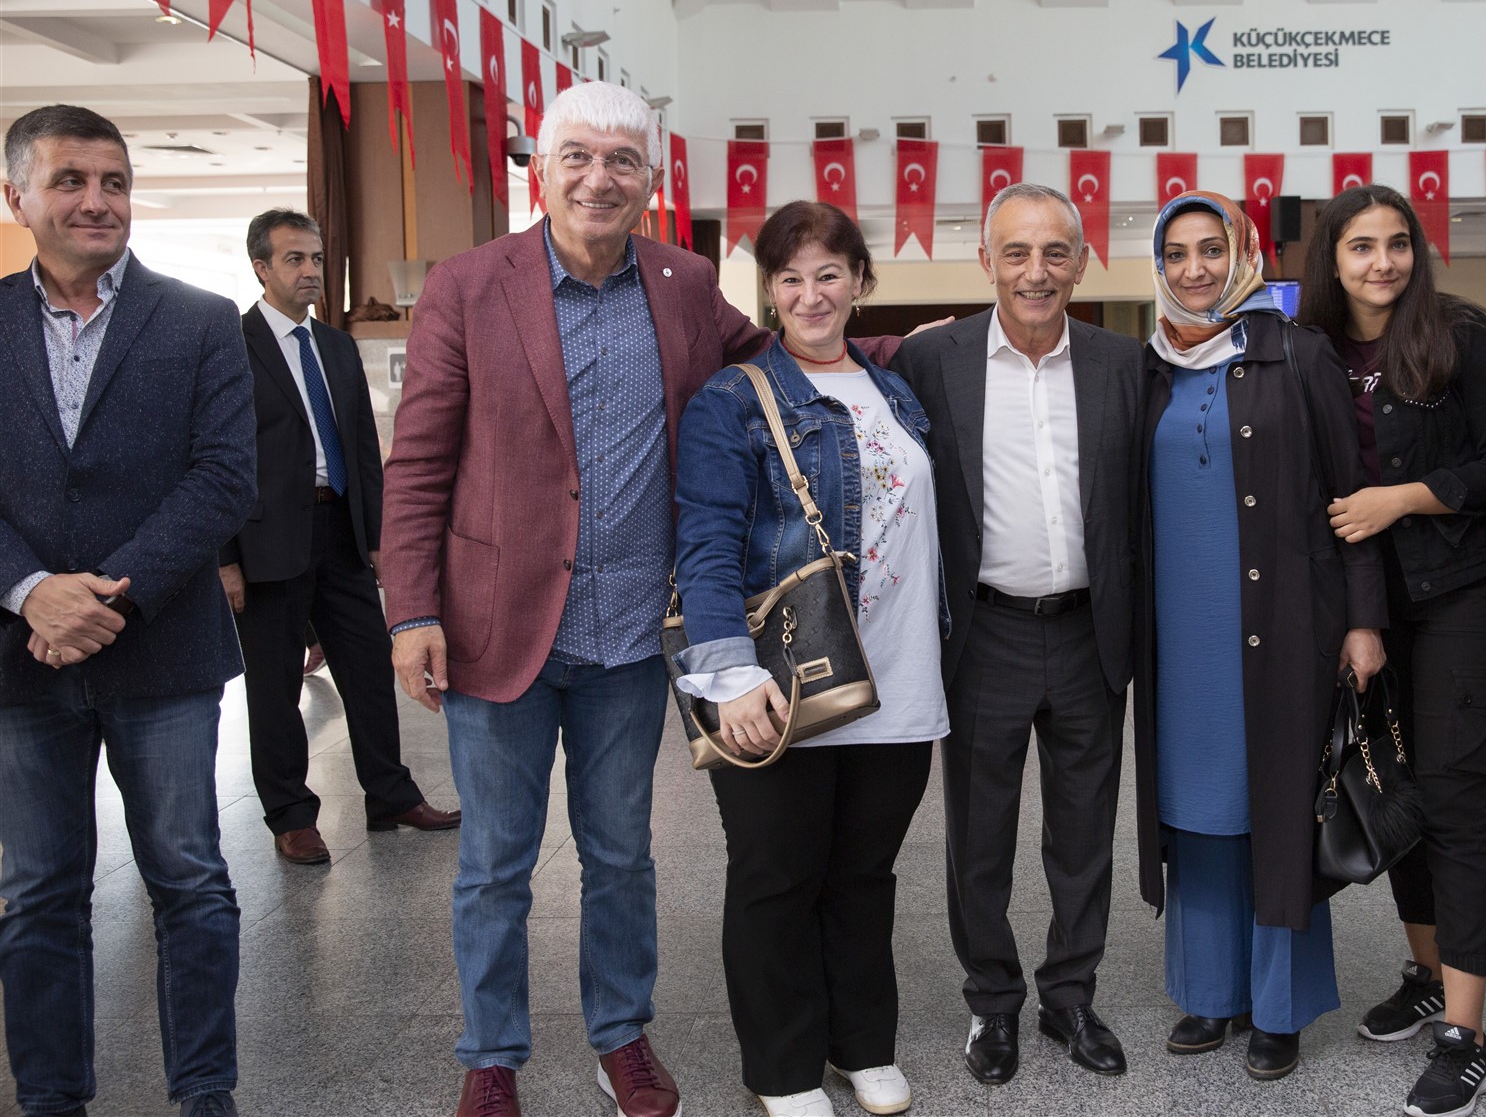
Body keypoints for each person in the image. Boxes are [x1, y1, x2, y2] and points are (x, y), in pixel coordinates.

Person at [382, 82, 741, 1117]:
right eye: (577, 156)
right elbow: (418, 463)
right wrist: (411, 611)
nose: (598, 177)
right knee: (494, 864)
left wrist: (906, 354)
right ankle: (491, 1051)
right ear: (540, 171)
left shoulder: (685, 282)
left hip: (629, 636)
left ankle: (621, 1034)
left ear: (651, 180)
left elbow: (774, 359)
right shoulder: (467, 284)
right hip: (497, 628)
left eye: (622, 159)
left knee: (621, 855)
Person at [0, 105, 255, 1117]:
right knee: (37, 891)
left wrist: (107, 592)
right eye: (70, 180)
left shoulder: (199, 319)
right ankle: (51, 1096)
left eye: (113, 181)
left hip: (163, 646)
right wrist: (32, 591)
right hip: (19, 655)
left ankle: (205, 1090)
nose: (97, 200)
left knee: (190, 878)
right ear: (18, 196)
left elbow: (225, 477)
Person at [673, 201, 948, 1117]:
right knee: (776, 876)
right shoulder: (731, 400)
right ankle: (784, 1067)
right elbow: (706, 545)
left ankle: (860, 1044)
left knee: (864, 876)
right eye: (790, 278)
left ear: (861, 281)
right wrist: (730, 676)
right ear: (769, 291)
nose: (810, 294)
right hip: (783, 678)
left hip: (899, 677)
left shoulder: (897, 390)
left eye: (829, 273)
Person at [890, 183, 1143, 1087]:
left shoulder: (1124, 363)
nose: (1036, 272)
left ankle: (1069, 995)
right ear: (987, 262)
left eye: (1055, 253)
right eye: (1017, 253)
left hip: (1089, 634)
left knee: (1084, 833)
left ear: (1082, 263)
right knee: (979, 836)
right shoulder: (933, 359)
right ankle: (992, 1002)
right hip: (982, 635)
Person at [1133, 190, 1388, 1084]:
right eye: (1176, 254)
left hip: (1283, 619)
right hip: (1181, 633)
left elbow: (1349, 495)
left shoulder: (1297, 351)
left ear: (1243, 254)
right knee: (1198, 807)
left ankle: (1278, 1007)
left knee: (1276, 805)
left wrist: (1363, 619)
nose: (1195, 269)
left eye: (1212, 249)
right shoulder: (1150, 366)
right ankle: (1211, 992)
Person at [1296, 184, 1486, 1117]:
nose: (1381, 261)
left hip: (1460, 598)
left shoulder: (1461, 336)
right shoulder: (1307, 349)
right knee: (1402, 798)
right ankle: (1428, 976)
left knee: (1456, 806)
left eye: (1396, 243)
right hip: (1364, 611)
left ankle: (1468, 1037)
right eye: (1361, 246)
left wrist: (1405, 498)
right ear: (1332, 260)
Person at [220, 208, 458, 866]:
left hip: (341, 534)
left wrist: (381, 538)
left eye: (317, 259)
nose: (310, 271)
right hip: (266, 544)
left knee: (370, 673)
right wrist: (225, 559)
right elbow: (213, 458)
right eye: (294, 259)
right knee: (275, 691)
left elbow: (361, 449)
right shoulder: (231, 346)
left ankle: (390, 796)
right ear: (261, 268)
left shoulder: (335, 345)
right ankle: (292, 816)